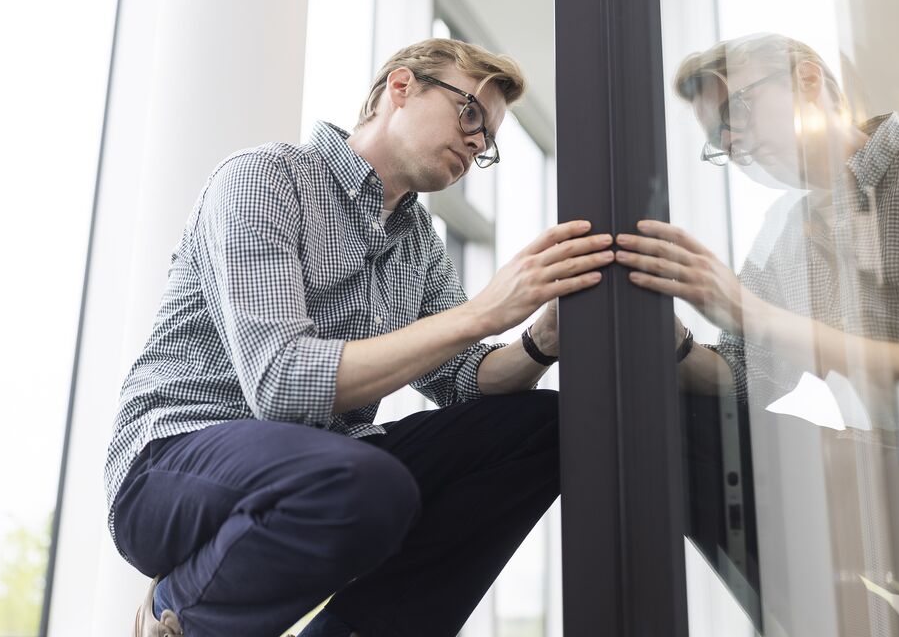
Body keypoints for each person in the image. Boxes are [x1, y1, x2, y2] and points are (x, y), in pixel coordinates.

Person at [104, 37, 615, 637]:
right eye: (470, 113)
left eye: (489, 139)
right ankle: (179, 616)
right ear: (401, 88)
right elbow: (281, 382)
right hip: (172, 462)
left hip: (335, 467)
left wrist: (538, 342)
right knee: (364, 484)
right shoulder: (265, 178)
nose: (478, 142)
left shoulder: (418, 241)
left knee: (544, 428)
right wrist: (481, 313)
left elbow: (462, 383)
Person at [616, 32, 899, 427]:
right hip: (892, 481)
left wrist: (752, 313)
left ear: (808, 79)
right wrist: (668, 337)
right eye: (718, 137)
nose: (732, 140)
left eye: (736, 110)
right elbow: (744, 376)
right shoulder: (787, 238)